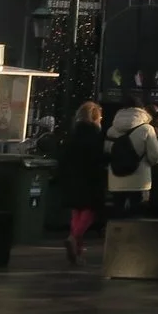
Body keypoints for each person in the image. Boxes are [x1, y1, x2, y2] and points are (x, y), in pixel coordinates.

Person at [55, 101, 110, 265]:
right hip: (90, 179)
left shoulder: (72, 134)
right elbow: (98, 157)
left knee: (76, 213)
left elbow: (63, 157)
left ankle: (77, 252)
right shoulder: (95, 136)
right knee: (89, 212)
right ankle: (73, 238)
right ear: (95, 117)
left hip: (72, 179)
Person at [105, 104, 158, 219]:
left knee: (118, 215)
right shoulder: (147, 129)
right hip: (139, 181)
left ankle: (117, 236)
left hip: (116, 180)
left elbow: (107, 151)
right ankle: (134, 236)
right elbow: (155, 155)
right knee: (137, 215)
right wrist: (148, 163)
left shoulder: (111, 130)